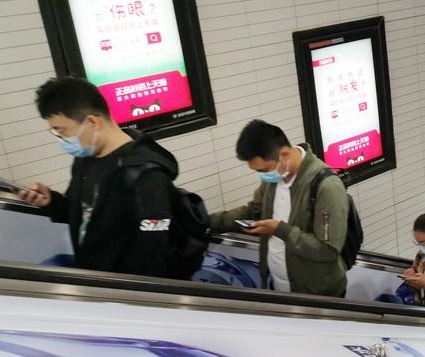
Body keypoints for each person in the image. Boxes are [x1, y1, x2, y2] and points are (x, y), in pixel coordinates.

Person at [19, 77, 179, 278]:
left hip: (121, 291)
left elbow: (154, 254)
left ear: (93, 122)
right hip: (93, 276)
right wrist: (51, 201)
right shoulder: (86, 159)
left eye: (62, 131)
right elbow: (80, 214)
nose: (61, 139)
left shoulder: (145, 174)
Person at [208, 120, 348, 296]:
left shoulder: (326, 186)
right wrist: (206, 222)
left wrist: (279, 229)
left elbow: (327, 250)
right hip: (279, 286)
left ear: (285, 154)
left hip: (318, 293)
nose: (263, 176)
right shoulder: (275, 178)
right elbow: (253, 211)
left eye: (264, 170)